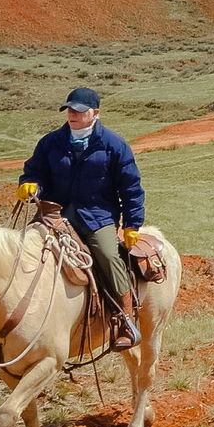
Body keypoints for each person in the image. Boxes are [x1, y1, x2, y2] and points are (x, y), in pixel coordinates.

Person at [17, 87, 144, 350]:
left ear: (95, 113)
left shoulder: (114, 144)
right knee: (20, 249)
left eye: (79, 110)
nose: (72, 115)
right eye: (69, 110)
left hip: (97, 216)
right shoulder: (50, 142)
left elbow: (130, 187)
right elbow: (34, 171)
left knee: (109, 256)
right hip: (54, 214)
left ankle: (125, 321)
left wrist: (132, 225)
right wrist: (31, 185)